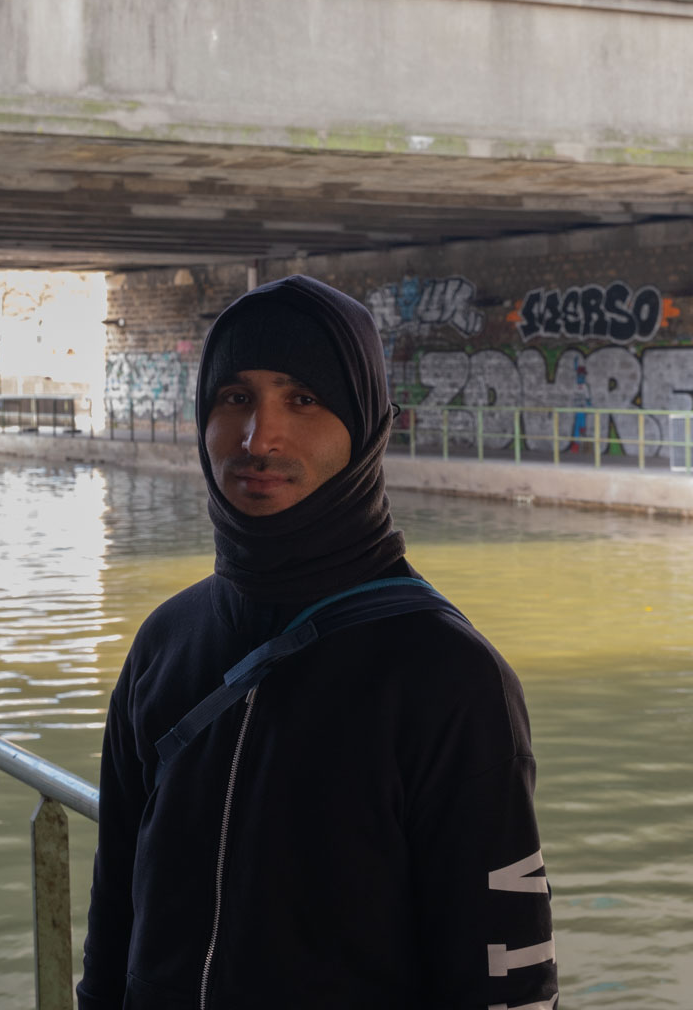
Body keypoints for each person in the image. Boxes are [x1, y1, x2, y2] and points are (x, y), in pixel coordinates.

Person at [78, 274, 558, 1010]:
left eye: (303, 399)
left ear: (367, 426)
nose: (258, 436)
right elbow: (115, 911)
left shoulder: (447, 678)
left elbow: (506, 983)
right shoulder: (166, 642)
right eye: (235, 397)